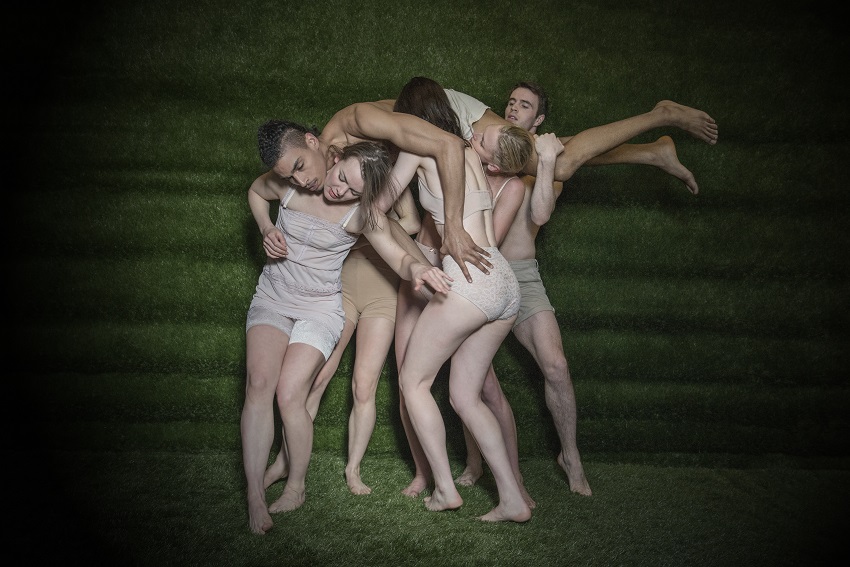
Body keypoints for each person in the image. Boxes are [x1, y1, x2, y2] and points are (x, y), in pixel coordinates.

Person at [242, 132, 452, 535]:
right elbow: (255, 191)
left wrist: (417, 268)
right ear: (335, 157)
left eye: (353, 190)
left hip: (320, 309)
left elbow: (397, 255)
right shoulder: (289, 183)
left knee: (290, 393)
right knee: (259, 384)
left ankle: (296, 486)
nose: (339, 190)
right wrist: (266, 226)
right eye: (341, 178)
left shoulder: (360, 215)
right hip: (273, 297)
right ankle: (254, 494)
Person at [388, 80, 535, 522]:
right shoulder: (469, 151)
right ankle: (512, 499)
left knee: (413, 382)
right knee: (466, 397)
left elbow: (381, 202)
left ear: (410, 117)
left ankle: (445, 489)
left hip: (470, 280)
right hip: (503, 278)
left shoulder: (419, 147)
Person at [262, 186, 421, 496]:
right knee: (317, 377)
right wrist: (352, 230)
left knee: (364, 385)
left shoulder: (392, 181)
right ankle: (284, 461)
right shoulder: (343, 183)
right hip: (342, 286)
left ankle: (353, 469)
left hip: (383, 292)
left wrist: (361, 231)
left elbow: (412, 223)